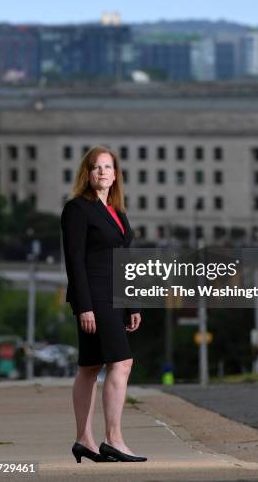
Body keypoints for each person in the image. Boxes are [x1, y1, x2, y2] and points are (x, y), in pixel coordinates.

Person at [61, 145, 147, 464]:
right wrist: (84, 306)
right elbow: (75, 260)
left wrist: (133, 304)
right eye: (96, 167)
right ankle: (114, 439)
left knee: (90, 366)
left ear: (115, 174)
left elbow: (124, 261)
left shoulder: (117, 212)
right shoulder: (77, 209)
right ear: (87, 172)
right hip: (94, 297)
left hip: (115, 295)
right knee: (122, 362)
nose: (102, 172)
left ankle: (85, 440)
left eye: (108, 167)